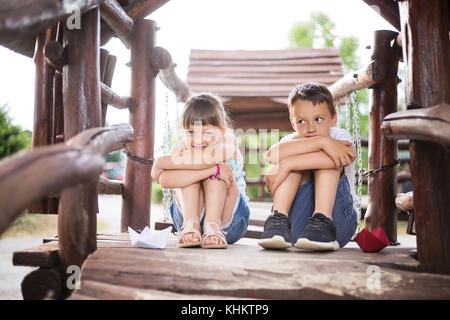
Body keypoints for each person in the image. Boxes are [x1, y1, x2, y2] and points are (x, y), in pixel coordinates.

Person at [258, 82, 358, 251]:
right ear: (293, 123)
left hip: (338, 223)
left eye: (318, 119)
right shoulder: (292, 140)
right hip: (294, 226)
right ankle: (278, 220)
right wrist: (322, 141)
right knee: (296, 160)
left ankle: (322, 220)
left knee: (327, 161)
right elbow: (270, 155)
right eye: (302, 121)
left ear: (333, 118)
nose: (310, 128)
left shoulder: (339, 136)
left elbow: (344, 156)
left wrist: (287, 164)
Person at [151, 93, 250, 249]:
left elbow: (208, 158)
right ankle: (191, 224)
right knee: (195, 175)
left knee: (216, 175)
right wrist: (213, 170)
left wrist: (159, 162)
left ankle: (213, 225)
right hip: (186, 221)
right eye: (191, 132)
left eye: (208, 132)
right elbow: (165, 180)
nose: (198, 139)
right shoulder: (180, 148)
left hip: (230, 220)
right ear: (183, 131)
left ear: (222, 132)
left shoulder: (228, 142)